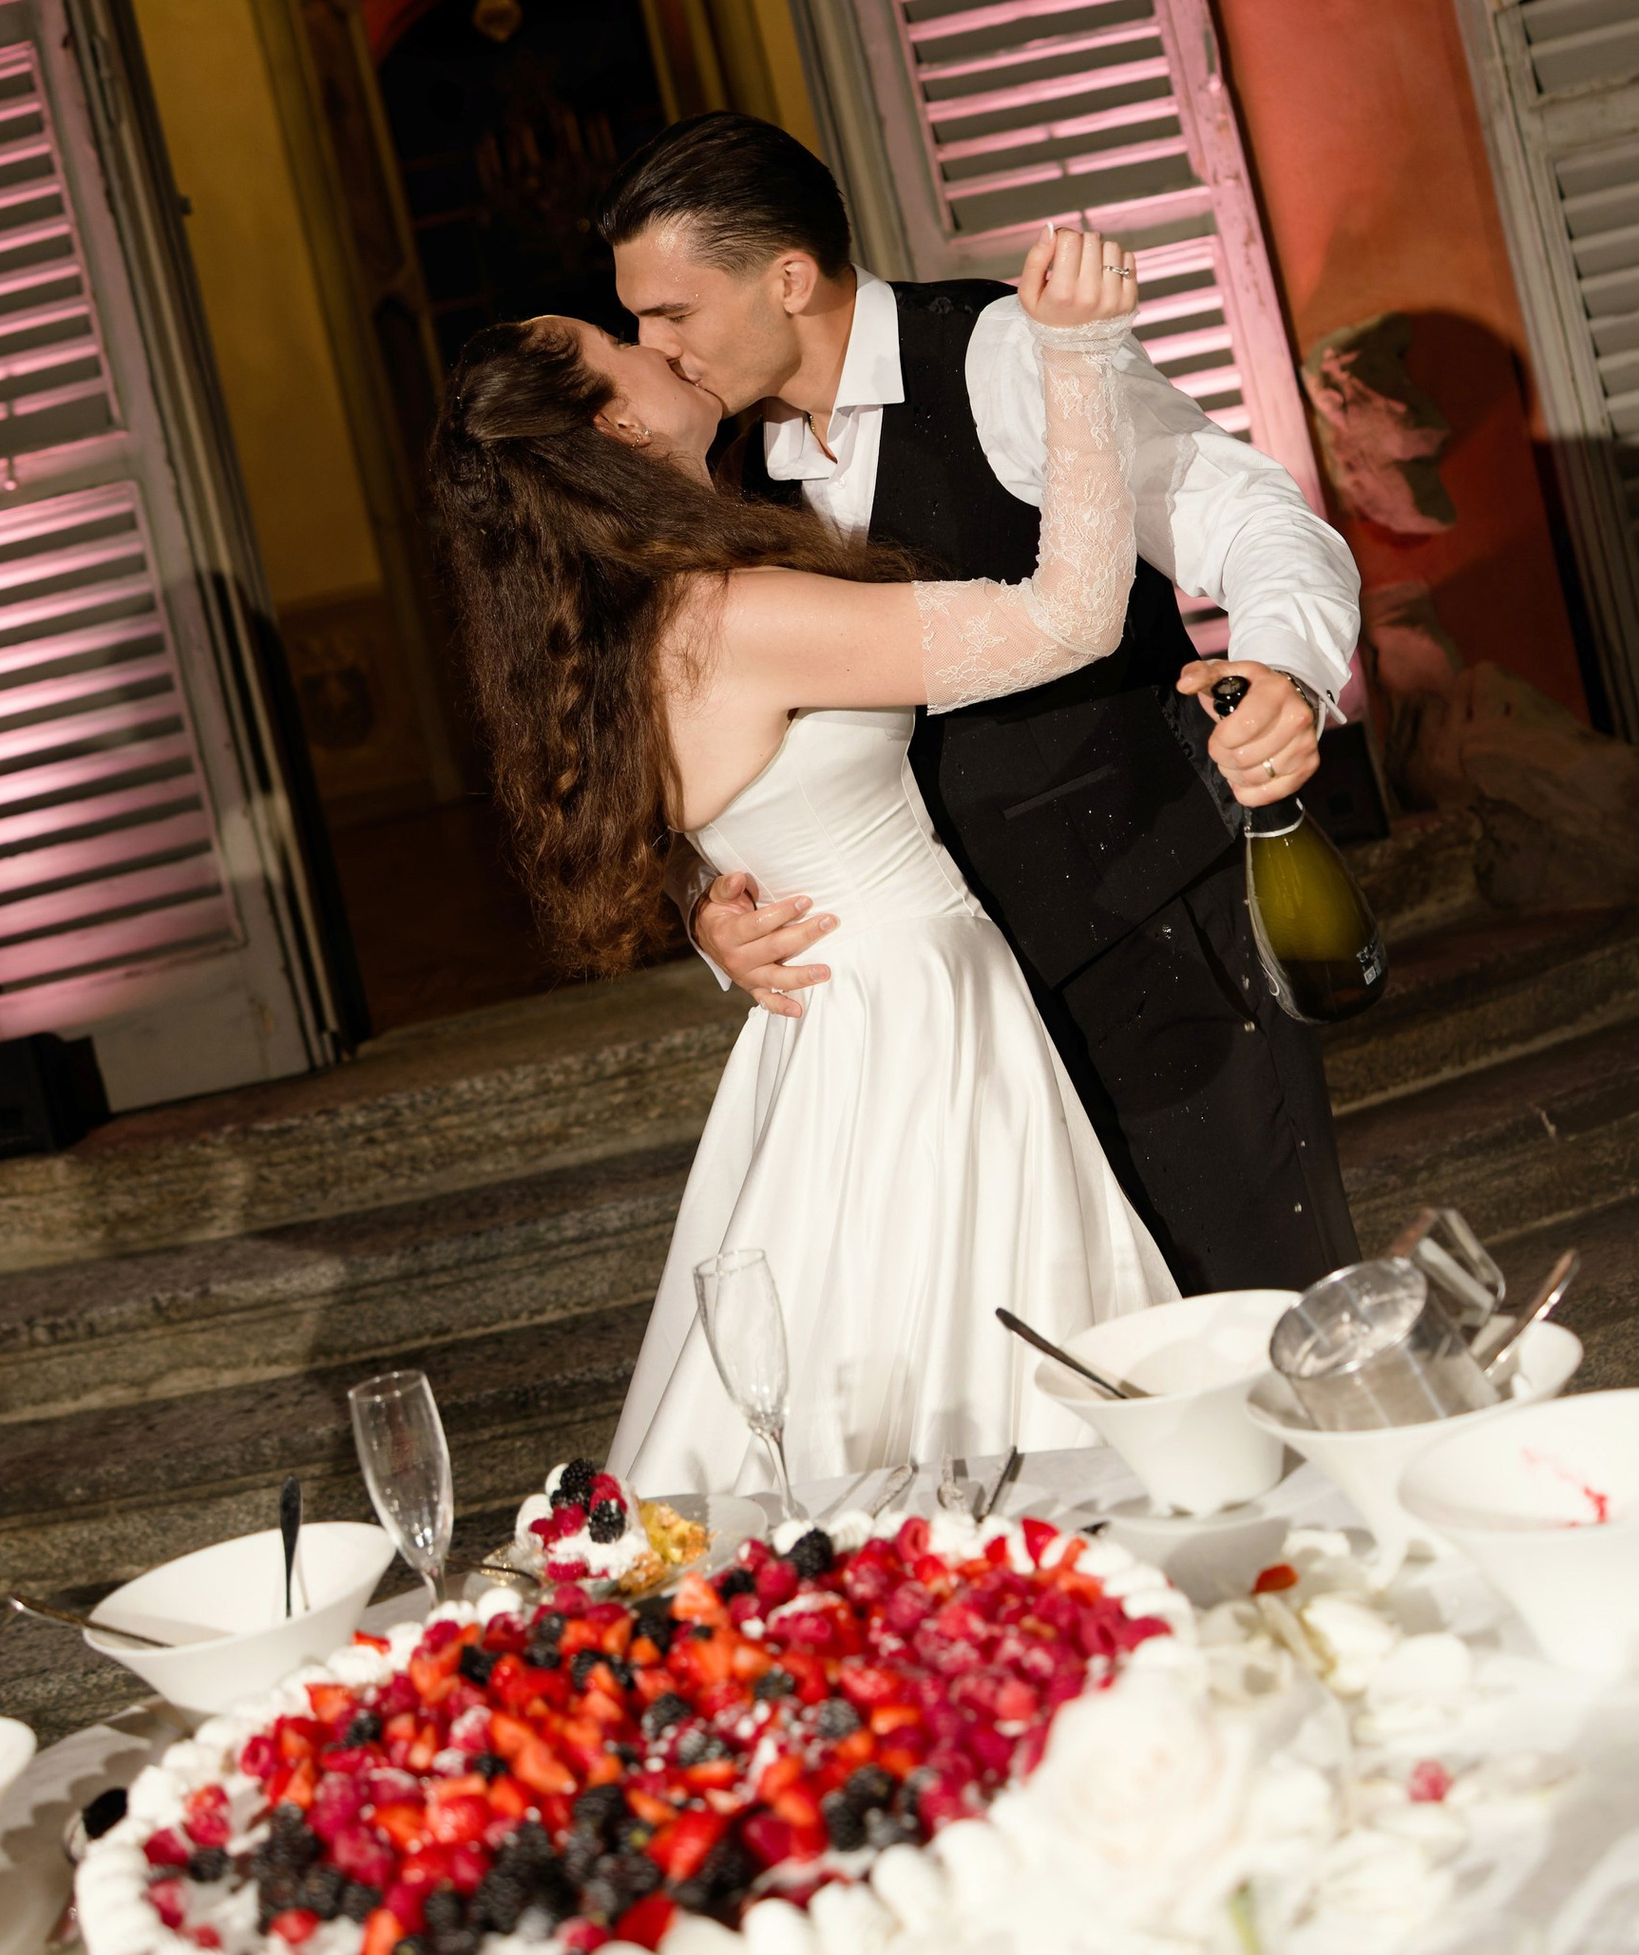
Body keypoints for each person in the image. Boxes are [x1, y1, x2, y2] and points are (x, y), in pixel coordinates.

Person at [425, 221, 1180, 1491]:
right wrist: (1079, 357)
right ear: (618, 426)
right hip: (909, 1014)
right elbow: (1071, 617)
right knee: (981, 1389)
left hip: (842, 1014)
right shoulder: (733, 616)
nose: (660, 343)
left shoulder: (621, 630)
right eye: (622, 341)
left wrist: (706, 906)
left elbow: (708, 821)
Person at [599, 114, 1364, 1296]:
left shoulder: (1008, 353)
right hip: (955, 1029)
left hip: (1152, 937)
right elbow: (714, 743)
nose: (653, 350)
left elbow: (1246, 512)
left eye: (672, 314)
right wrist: (709, 908)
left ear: (787, 277)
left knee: (1265, 1316)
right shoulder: (718, 468)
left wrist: (1284, 667)